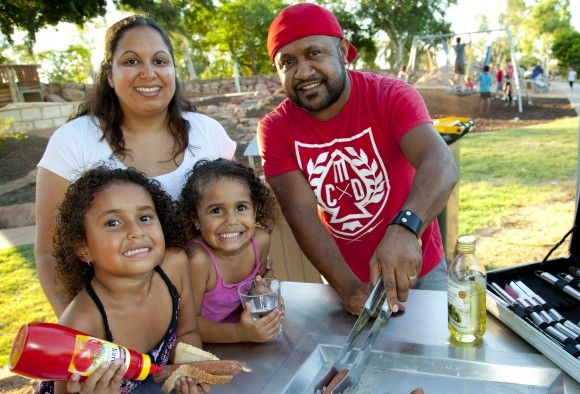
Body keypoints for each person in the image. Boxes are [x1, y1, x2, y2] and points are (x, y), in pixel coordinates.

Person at [258, 3, 458, 316]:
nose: (303, 71)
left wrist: (405, 229)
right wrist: (348, 287)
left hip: (419, 267)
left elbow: (440, 164)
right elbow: (300, 213)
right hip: (346, 278)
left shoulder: (391, 96)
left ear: (342, 50)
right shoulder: (275, 128)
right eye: (288, 62)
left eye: (314, 53)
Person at [34, 15, 237, 318]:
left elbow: (238, 214)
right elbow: (49, 252)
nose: (148, 73)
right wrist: (85, 337)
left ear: (173, 71)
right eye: (131, 62)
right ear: (109, 75)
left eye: (159, 61)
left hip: (212, 318)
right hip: (121, 330)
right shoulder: (73, 141)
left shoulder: (208, 133)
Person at [30, 167, 209, 394]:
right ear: (84, 249)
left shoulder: (174, 265)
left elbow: (187, 331)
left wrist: (188, 367)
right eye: (113, 222)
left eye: (145, 217)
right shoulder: (82, 322)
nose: (136, 231)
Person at [179, 158, 285, 343]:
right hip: (213, 347)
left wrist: (265, 298)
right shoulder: (199, 260)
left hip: (246, 342)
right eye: (216, 210)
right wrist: (240, 333)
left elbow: (257, 289)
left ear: (255, 210)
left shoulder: (260, 241)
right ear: (195, 218)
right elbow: (188, 326)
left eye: (241, 207)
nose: (231, 220)